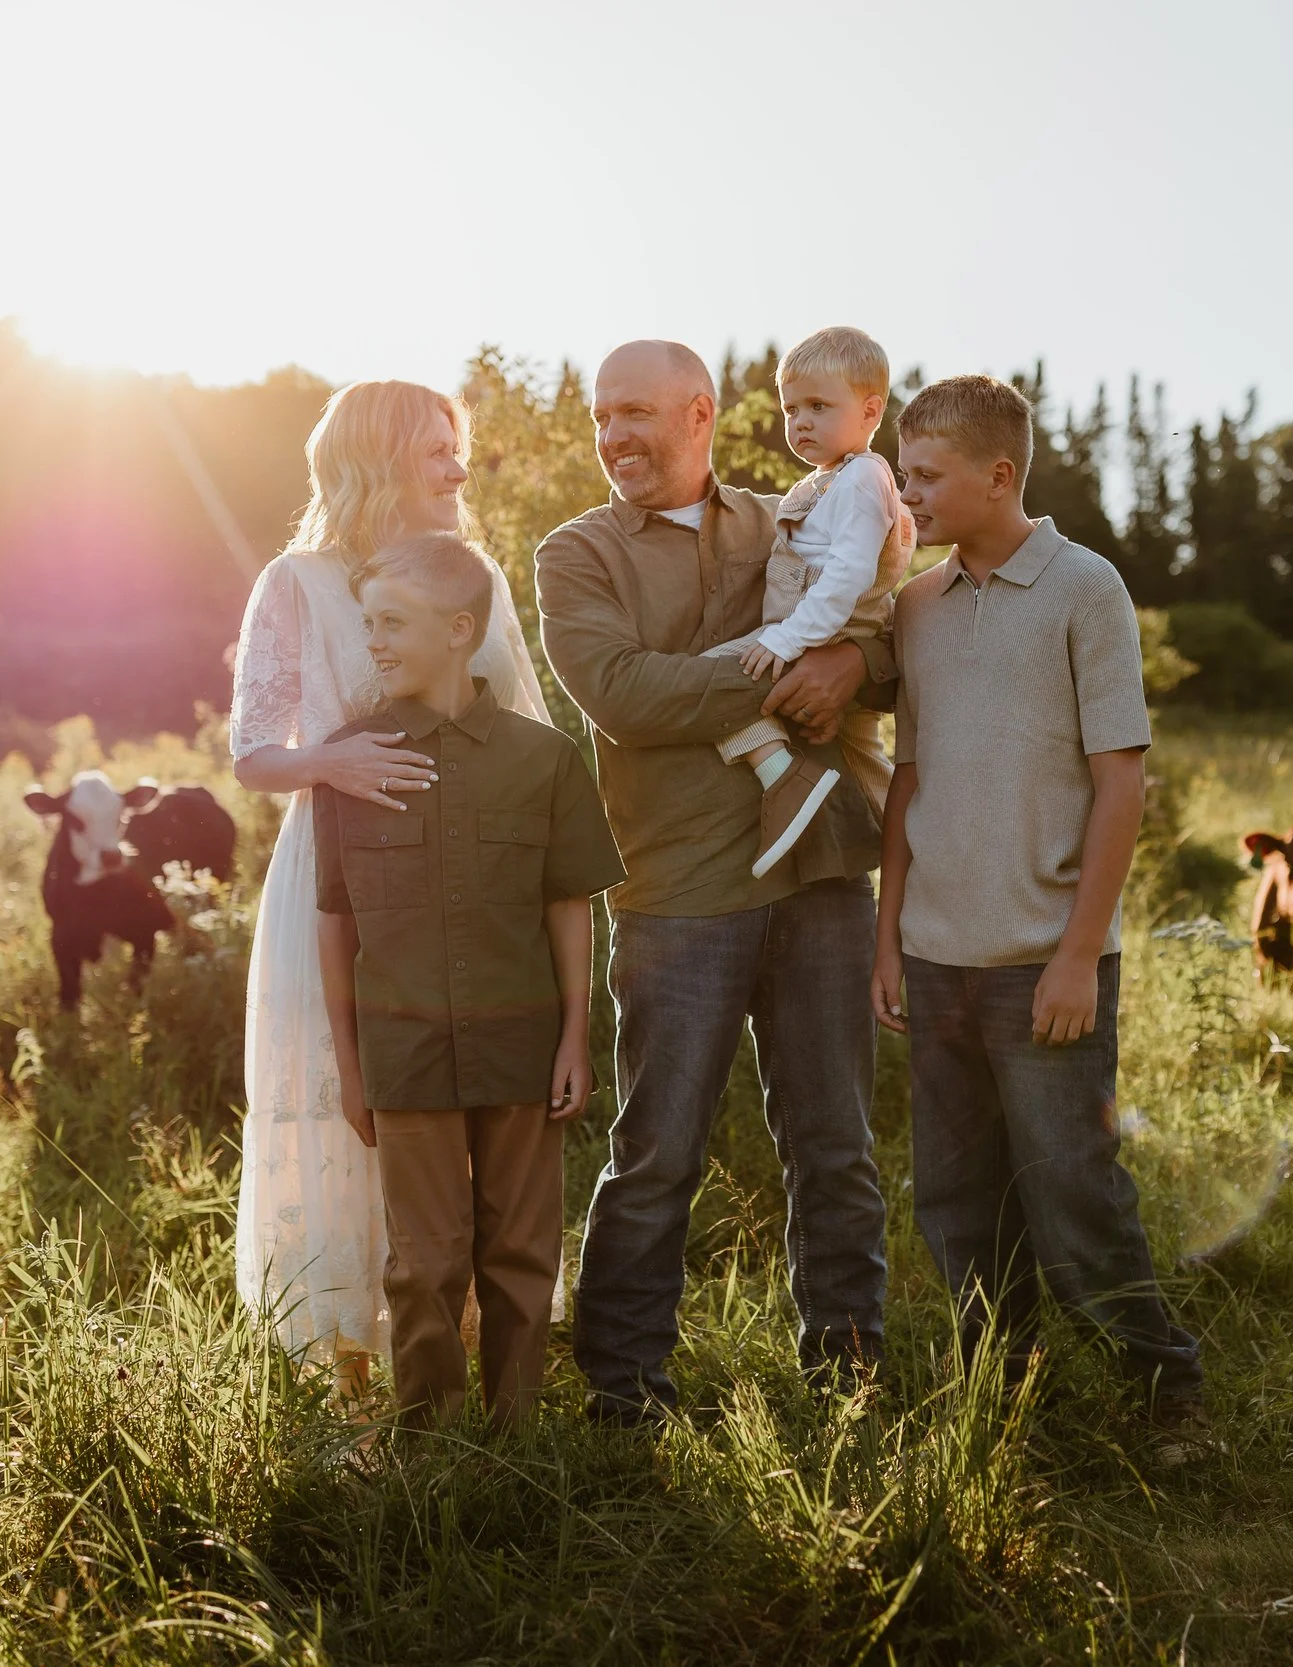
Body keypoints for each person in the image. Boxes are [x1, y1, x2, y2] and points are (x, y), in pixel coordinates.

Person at [535, 338, 892, 1423]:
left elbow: (884, 618)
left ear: (700, 414)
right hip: (676, 888)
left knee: (835, 1143)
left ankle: (848, 1379)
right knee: (656, 1150)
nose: (615, 437)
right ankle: (622, 1391)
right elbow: (625, 696)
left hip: (820, 872)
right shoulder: (576, 552)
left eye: (636, 412)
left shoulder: (793, 511)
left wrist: (856, 666)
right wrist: (792, 669)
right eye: (602, 418)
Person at [871, 374, 1204, 1420]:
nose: (907, 496)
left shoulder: (1083, 588)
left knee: (1075, 1199)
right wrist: (886, 942)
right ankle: (1003, 1395)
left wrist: (1076, 953)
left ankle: (1167, 1395)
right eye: (902, 472)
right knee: (958, 1205)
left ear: (998, 474)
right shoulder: (915, 607)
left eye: (925, 476)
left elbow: (1121, 781)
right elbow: (907, 779)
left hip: (1042, 968)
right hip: (934, 961)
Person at [228, 381, 553, 1395]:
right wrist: (334, 761)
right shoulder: (297, 579)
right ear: (373, 462)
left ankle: (464, 1351)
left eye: (459, 448)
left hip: (472, 886)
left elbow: (529, 730)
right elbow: (250, 755)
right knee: (351, 1108)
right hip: (341, 881)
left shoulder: (478, 574)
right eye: (436, 451)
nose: (459, 470)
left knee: (466, 1113)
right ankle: (359, 1378)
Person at [314, 532, 624, 1428]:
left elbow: (571, 905)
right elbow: (336, 920)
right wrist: (349, 1060)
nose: (373, 641)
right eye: (368, 622)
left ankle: (515, 1433)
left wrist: (574, 1038)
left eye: (392, 623)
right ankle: (432, 1439)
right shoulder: (350, 758)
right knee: (426, 1258)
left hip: (521, 1047)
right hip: (404, 1052)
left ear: (459, 629)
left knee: (521, 1249)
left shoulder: (545, 758)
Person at [700, 326, 913, 875]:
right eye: (792, 409)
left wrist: (787, 638)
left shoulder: (863, 477)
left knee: (709, 678)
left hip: (823, 630)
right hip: (823, 631)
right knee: (866, 764)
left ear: (870, 411)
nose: (801, 422)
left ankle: (782, 776)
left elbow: (848, 574)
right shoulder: (826, 481)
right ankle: (924, 856)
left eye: (819, 406)